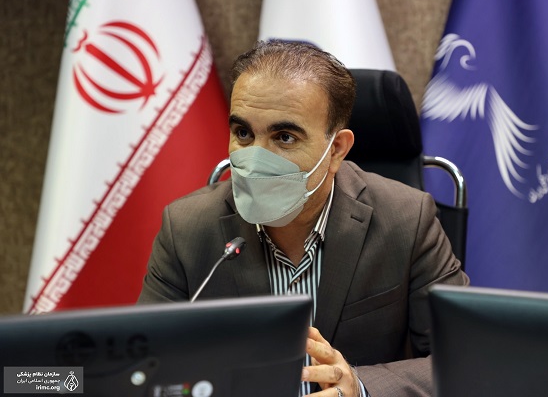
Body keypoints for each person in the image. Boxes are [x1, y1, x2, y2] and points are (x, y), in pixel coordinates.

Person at [138, 40, 469, 396]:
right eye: (243, 133)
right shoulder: (187, 229)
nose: (255, 159)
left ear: (336, 149)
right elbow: (144, 366)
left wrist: (360, 388)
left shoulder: (406, 220)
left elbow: (467, 357)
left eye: (284, 137)